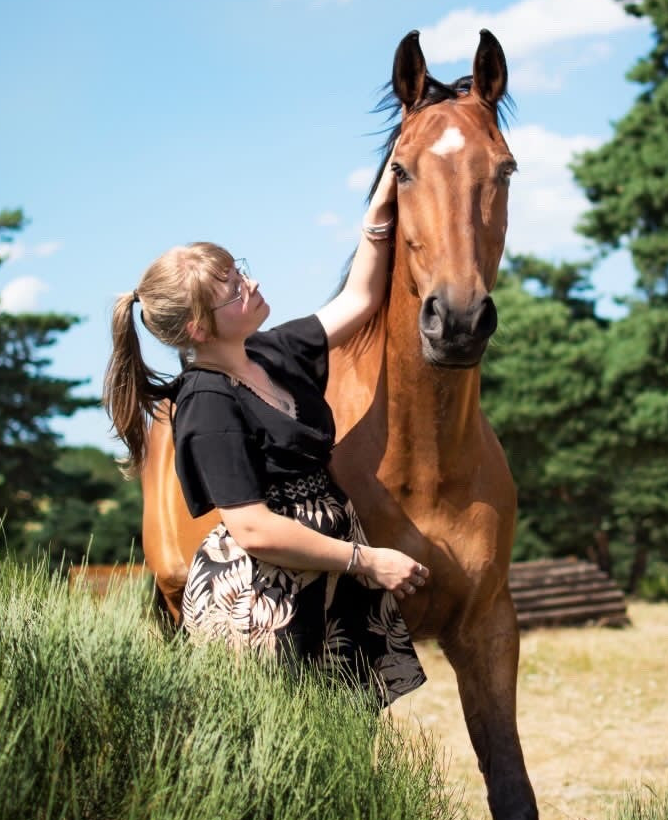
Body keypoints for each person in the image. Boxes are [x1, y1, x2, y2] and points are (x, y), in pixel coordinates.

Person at [103, 165, 428, 707]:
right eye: (231, 288)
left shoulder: (273, 351)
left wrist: (375, 222)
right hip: (263, 601)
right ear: (199, 330)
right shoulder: (207, 403)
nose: (248, 284)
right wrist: (368, 561)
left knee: (344, 740)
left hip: (326, 573)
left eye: (239, 271)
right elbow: (252, 528)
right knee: (283, 742)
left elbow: (359, 300)